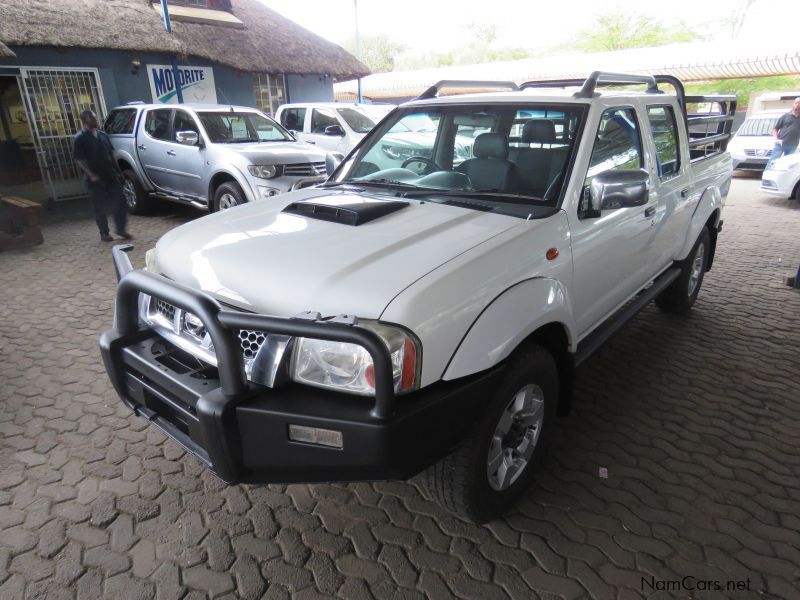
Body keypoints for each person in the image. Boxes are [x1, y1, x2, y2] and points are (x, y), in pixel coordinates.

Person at [73, 110, 131, 242]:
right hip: (94, 179)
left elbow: (111, 155)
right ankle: (104, 232)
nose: (97, 119)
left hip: (110, 174)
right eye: (93, 118)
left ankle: (121, 229)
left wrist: (119, 172)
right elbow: (79, 160)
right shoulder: (80, 138)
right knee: (99, 206)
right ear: (86, 120)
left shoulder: (103, 136)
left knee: (120, 201)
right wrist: (91, 175)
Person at [766, 98, 800, 169]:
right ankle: (766, 177)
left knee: (787, 165)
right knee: (773, 162)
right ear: (793, 104)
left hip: (793, 146)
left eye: (799, 103)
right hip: (780, 144)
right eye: (796, 103)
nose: (798, 105)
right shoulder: (785, 116)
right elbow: (775, 129)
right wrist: (776, 139)